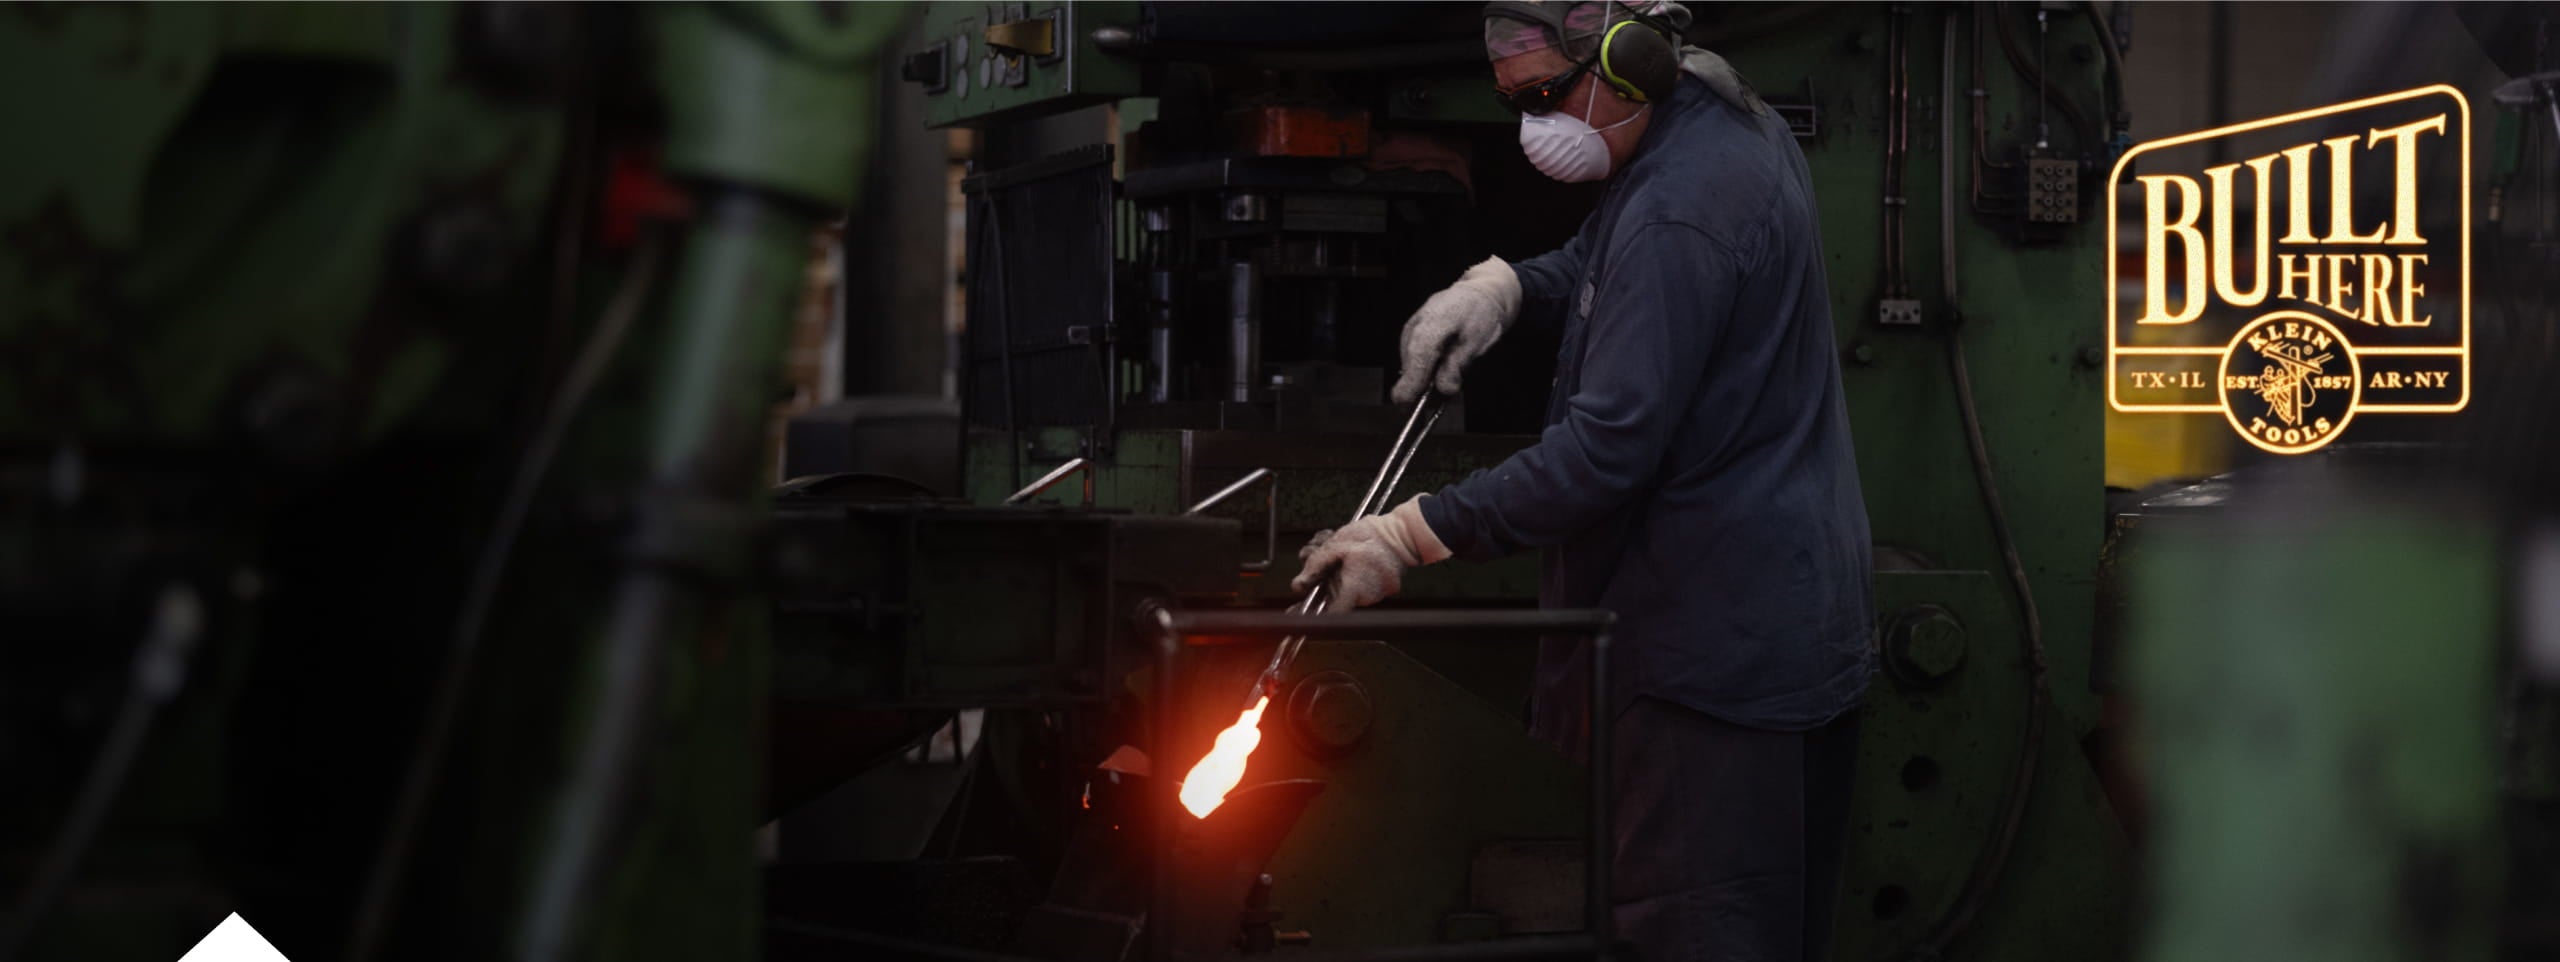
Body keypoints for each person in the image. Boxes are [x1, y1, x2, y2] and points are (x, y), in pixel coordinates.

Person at [1289, 3, 1875, 960]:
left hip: (1708, 664)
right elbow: (1607, 255)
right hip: (1763, 621)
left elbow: (1604, 453)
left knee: (1694, 936)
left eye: (1547, 96)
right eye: (1514, 102)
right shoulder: (1717, 127)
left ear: (1631, 57)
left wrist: (1409, 534)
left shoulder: (1689, 201)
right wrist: (1509, 288)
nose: (1534, 126)